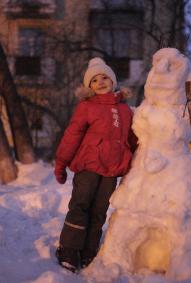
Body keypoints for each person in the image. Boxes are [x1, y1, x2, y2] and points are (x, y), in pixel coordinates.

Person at [54, 57, 137, 272]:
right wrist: (61, 162)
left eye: (104, 78)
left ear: (113, 81)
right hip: (89, 165)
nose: (100, 82)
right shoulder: (87, 106)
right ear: (89, 87)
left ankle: (89, 250)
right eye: (94, 80)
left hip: (112, 169)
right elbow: (72, 134)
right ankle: (70, 249)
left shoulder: (126, 110)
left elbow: (133, 139)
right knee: (81, 205)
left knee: (100, 210)